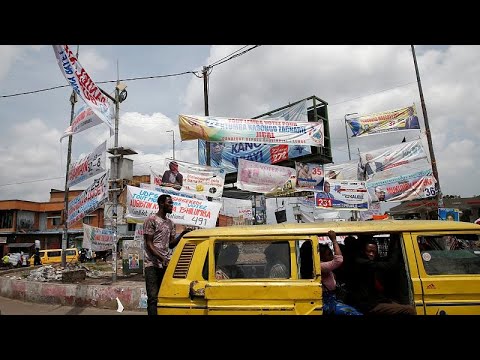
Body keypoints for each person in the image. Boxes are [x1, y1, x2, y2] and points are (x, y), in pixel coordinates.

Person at [347, 238, 416, 315]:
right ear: (363, 251)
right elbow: (389, 265)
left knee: (397, 304)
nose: (371, 254)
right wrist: (396, 247)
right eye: (368, 251)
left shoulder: (371, 262)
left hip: (376, 300)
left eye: (374, 252)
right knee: (410, 310)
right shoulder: (361, 262)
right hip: (368, 304)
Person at [143, 194, 176, 316]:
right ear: (162, 203)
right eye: (170, 203)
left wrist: (183, 234)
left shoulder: (171, 224)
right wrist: (161, 258)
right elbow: (149, 244)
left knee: (164, 296)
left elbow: (171, 244)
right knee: (153, 298)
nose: (172, 205)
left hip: (165, 265)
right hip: (152, 264)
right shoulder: (151, 220)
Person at [320, 231, 362, 315]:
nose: (332, 256)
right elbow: (338, 260)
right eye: (329, 254)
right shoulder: (320, 266)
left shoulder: (327, 268)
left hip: (333, 298)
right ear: (321, 256)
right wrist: (334, 240)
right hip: (327, 301)